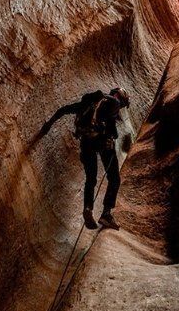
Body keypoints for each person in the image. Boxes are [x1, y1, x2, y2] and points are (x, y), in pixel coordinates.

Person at [38, 87, 131, 230]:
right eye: (123, 104)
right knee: (114, 178)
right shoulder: (114, 103)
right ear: (121, 97)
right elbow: (113, 132)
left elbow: (63, 110)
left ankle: (88, 208)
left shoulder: (89, 102)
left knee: (91, 179)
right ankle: (106, 214)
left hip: (86, 142)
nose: (121, 107)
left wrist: (47, 126)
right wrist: (114, 134)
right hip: (104, 143)